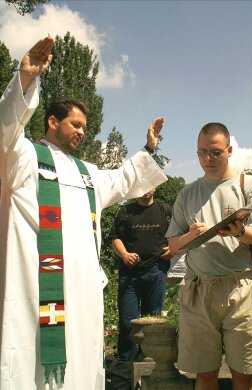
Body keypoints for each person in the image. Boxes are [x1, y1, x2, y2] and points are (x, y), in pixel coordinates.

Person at [0, 37, 168, 390]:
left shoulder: (87, 173)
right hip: (42, 288)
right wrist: (26, 79)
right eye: (75, 124)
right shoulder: (27, 159)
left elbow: (124, 180)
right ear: (51, 122)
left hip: (83, 290)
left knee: (83, 363)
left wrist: (149, 148)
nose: (82, 131)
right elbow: (5, 133)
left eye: (84, 127)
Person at [166, 123, 252, 390]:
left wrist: (239, 232)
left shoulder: (250, 185)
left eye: (215, 152)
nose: (207, 159)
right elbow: (173, 244)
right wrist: (189, 236)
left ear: (229, 150)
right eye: (202, 153)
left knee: (244, 375)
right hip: (198, 289)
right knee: (204, 375)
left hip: (242, 288)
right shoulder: (187, 193)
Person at [111, 187, 173, 361]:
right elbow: (115, 237)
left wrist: (173, 251)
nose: (147, 188)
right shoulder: (125, 211)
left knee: (152, 323)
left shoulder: (166, 210)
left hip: (156, 272)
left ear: (156, 187)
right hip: (129, 275)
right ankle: (125, 367)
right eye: (143, 184)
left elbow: (178, 234)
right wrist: (125, 255)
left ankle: (148, 364)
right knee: (127, 323)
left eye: (150, 184)